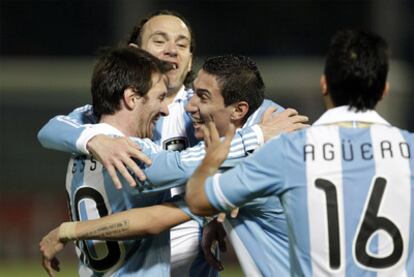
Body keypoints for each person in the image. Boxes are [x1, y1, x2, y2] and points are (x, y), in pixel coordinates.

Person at [39, 54, 309, 276]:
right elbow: (169, 190)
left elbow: (50, 128)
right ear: (132, 96)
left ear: (239, 110)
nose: (175, 107)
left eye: (201, 97)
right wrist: (257, 136)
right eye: (160, 98)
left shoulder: (85, 132)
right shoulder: (128, 152)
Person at [186, 30, 414, 276]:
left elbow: (198, 198)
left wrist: (214, 157)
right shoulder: (409, 149)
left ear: (324, 84)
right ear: (384, 90)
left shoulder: (289, 150)